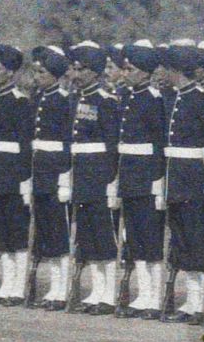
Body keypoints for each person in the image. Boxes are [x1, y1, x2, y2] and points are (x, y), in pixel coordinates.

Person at [65, 41, 123, 312]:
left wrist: (112, 180)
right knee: (87, 236)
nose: (77, 75)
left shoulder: (106, 101)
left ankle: (108, 294)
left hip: (99, 175)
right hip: (81, 175)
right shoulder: (75, 99)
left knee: (103, 236)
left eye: (82, 70)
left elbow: (111, 145)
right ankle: (96, 291)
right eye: (75, 69)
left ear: (96, 72)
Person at [164, 42, 204, 322]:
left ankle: (200, 303)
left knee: (196, 242)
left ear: (177, 70)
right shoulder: (175, 97)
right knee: (181, 242)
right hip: (175, 178)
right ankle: (191, 301)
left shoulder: (200, 99)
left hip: (194, 179)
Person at [116, 41, 169, 316]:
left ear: (146, 72)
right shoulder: (127, 97)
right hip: (129, 175)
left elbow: (159, 144)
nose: (126, 73)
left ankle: (154, 297)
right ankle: (143, 293)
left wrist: (158, 181)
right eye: (125, 69)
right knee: (135, 237)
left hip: (147, 176)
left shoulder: (153, 99)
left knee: (150, 239)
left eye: (131, 69)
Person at [0, 44, 36, 304]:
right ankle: (6, 282)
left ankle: (18, 284)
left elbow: (25, 145)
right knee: (0, 231)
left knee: (16, 232)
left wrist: (25, 179)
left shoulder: (20, 101)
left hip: (12, 175)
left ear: (11, 72)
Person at [28, 46, 77, 308]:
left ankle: (62, 289)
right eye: (36, 72)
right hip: (39, 172)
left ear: (55, 76)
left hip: (55, 172)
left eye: (42, 73)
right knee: (46, 232)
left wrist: (64, 177)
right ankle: (53, 288)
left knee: (59, 234)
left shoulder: (63, 100)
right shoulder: (37, 98)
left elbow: (68, 142)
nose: (37, 77)